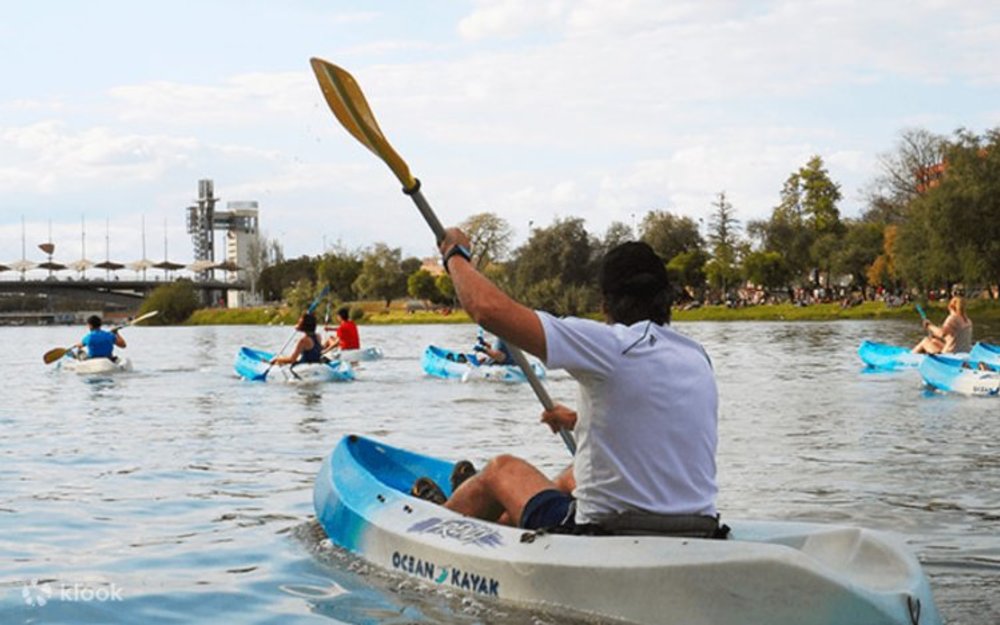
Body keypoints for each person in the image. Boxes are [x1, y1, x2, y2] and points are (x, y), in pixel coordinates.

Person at [411, 231, 722, 538]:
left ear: (604, 304)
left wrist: (455, 255)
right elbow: (653, 418)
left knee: (500, 470)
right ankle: (490, 521)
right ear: (666, 298)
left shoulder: (611, 344)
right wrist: (577, 420)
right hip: (699, 527)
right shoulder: (696, 355)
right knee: (568, 479)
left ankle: (435, 530)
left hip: (605, 533)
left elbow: (488, 311)